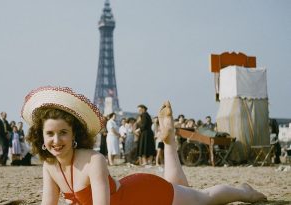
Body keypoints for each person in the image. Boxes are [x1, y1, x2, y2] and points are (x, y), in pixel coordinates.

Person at [23, 86, 267, 205]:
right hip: (133, 194)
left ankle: (245, 192)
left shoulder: (93, 160)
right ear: (40, 136)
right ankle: (169, 140)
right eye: (50, 134)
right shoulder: (49, 166)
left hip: (144, 194)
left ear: (74, 133)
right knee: (180, 188)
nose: (56, 141)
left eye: (63, 133)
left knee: (203, 199)